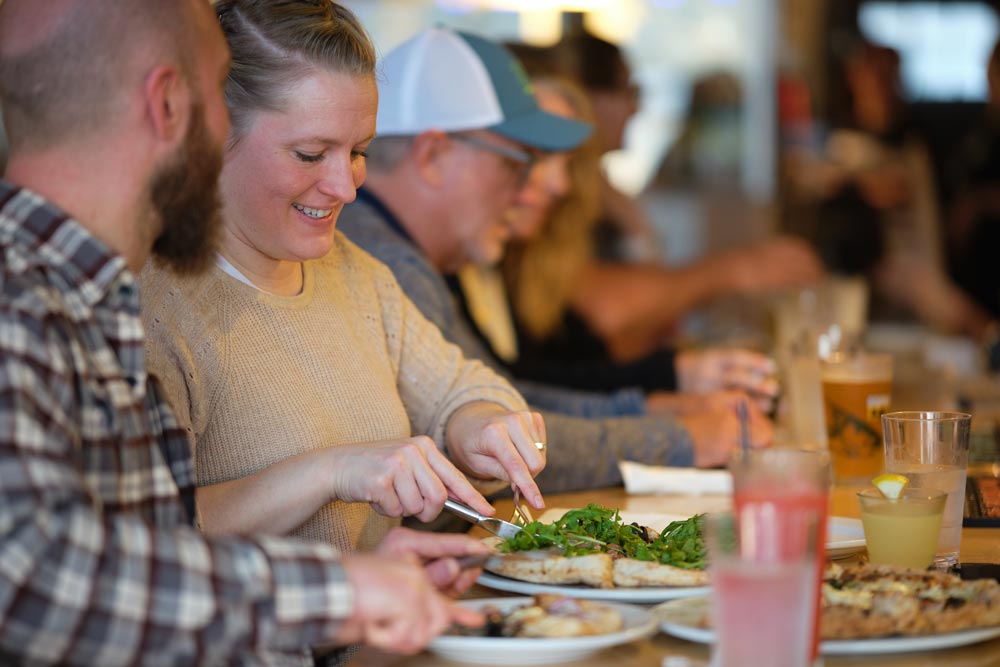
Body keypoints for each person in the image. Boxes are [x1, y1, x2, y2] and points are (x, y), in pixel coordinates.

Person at [0, 1, 499, 665]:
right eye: (218, 94)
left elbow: (158, 562)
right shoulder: (27, 297)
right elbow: (27, 576)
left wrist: (361, 581)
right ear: (170, 105)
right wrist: (333, 591)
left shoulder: (90, 292)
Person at [139, 0, 549, 592]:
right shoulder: (149, 305)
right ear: (212, 136)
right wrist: (330, 471)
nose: (345, 187)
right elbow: (144, 543)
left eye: (358, 152)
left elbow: (460, 388)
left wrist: (481, 426)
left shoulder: (353, 274)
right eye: (310, 154)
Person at [338, 27, 774, 492]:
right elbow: (492, 445)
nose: (536, 185)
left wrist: (657, 410)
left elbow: (507, 403)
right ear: (432, 155)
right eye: (516, 163)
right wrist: (680, 438)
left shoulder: (401, 253)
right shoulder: (387, 263)